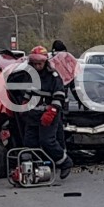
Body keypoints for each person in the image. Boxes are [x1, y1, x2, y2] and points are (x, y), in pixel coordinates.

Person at [8, 46, 73, 179]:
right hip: (33, 115)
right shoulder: (31, 75)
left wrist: (52, 111)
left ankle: (65, 163)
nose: (37, 66)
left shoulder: (53, 77)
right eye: (35, 63)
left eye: (40, 63)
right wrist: (24, 104)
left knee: (47, 141)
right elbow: (28, 92)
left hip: (49, 115)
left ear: (45, 62)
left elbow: (59, 96)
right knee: (29, 142)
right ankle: (36, 168)